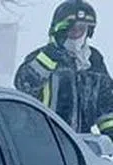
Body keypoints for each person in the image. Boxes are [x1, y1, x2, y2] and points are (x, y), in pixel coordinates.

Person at [14, 0, 113, 136]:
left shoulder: (94, 61)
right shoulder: (43, 57)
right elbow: (23, 84)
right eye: (72, 30)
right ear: (60, 31)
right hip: (42, 140)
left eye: (81, 29)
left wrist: (110, 133)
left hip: (78, 144)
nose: (76, 34)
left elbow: (107, 104)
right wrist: (50, 57)